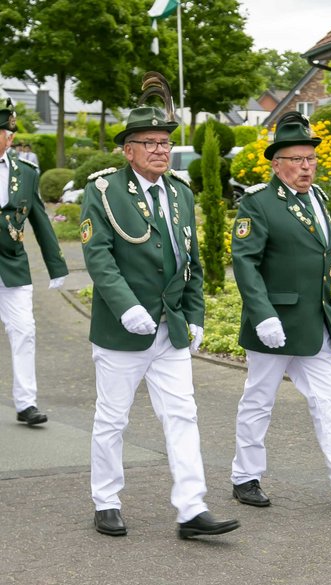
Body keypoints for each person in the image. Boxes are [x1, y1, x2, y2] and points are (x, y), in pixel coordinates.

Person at [80, 103, 240, 539]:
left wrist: (196, 314)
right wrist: (126, 306)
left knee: (183, 415)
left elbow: (190, 262)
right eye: (149, 143)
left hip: (171, 328)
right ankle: (106, 501)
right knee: (113, 418)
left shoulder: (180, 193)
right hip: (122, 330)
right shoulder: (105, 190)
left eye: (165, 142)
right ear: (128, 150)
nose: (160, 150)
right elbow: (98, 256)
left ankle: (192, 509)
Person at [230, 111, 331, 511]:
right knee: (259, 400)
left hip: (314, 320)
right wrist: (262, 314)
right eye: (297, 160)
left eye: (311, 159)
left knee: (328, 399)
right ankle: (245, 476)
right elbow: (245, 262)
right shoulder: (258, 203)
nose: (306, 167)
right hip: (273, 323)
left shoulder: (317, 198)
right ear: (277, 164)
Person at [0, 102, 68, 426]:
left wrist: (57, 266)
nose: (6, 137)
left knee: (25, 330)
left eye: (4, 133)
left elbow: (40, 219)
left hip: (13, 266)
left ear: (10, 138)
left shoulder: (26, 173)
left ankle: (26, 403)